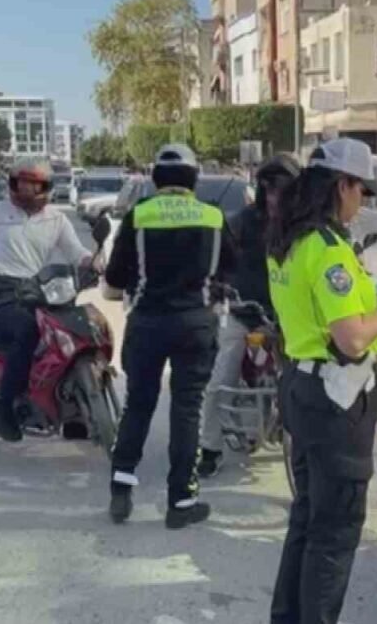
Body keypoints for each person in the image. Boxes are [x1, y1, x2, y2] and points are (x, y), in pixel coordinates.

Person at [267, 139, 377, 624]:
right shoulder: (328, 251)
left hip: (301, 386)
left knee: (307, 519)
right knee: (334, 532)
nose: (362, 202)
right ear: (342, 186)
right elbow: (353, 339)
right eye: (361, 190)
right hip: (336, 400)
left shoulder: (290, 240)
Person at [103, 144, 235, 530]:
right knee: (187, 409)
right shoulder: (213, 217)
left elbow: (114, 278)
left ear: (155, 178)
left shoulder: (139, 215)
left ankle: (121, 488)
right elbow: (231, 269)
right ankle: (181, 501)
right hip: (196, 324)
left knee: (138, 405)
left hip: (147, 325)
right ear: (194, 179)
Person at [0, 160, 97, 441]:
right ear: (14, 185)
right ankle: (4, 405)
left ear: (45, 187)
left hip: (38, 288)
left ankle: (72, 411)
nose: (28, 189)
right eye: (23, 183)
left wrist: (94, 262)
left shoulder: (56, 219)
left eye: (34, 185)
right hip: (1, 287)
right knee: (28, 330)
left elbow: (76, 252)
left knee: (69, 333)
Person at [197, 154, 300, 478]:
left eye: (281, 190)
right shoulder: (241, 222)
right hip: (244, 311)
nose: (274, 198)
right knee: (219, 381)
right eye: (269, 190)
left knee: (310, 381)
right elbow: (218, 262)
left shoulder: (304, 228)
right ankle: (210, 447)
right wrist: (216, 286)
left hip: (291, 317)